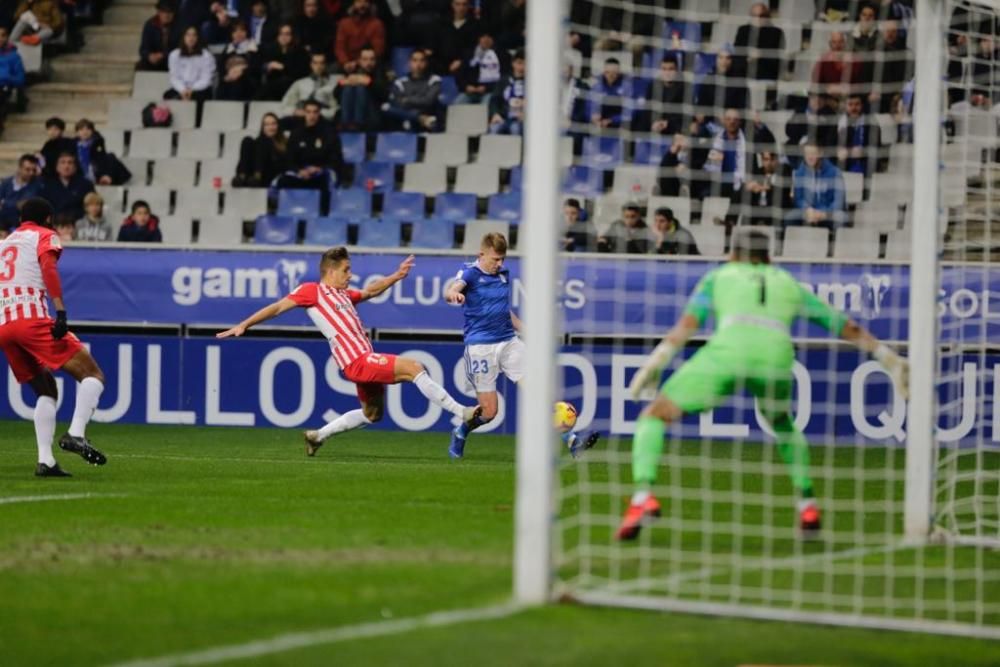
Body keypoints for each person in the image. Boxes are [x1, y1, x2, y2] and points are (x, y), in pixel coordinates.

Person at [616, 229, 910, 540]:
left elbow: (688, 324)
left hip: (728, 354)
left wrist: (657, 360)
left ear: (732, 254)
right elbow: (844, 325)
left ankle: (642, 497)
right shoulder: (788, 283)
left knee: (654, 415)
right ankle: (807, 504)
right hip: (776, 358)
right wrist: (888, 358)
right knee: (782, 423)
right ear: (768, 257)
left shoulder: (720, 276)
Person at [217, 249, 482, 454]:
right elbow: (277, 307)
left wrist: (396, 275)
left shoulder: (343, 295)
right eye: (346, 270)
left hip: (362, 361)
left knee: (372, 415)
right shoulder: (312, 291)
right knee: (415, 368)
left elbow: (369, 292)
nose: (350, 275)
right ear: (330, 271)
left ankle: (317, 436)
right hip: (357, 360)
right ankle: (462, 412)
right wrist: (244, 324)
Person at [443, 232, 598, 459]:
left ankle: (573, 441)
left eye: (503, 259)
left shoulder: (503, 275)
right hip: (480, 348)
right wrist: (453, 296)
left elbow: (505, 312)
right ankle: (461, 431)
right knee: (489, 412)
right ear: (481, 254)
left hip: (508, 342)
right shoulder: (470, 273)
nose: (500, 264)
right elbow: (452, 289)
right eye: (495, 259)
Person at [0, 198, 109, 476]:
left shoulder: (5, 244)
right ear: (48, 218)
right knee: (93, 375)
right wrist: (60, 310)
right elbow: (49, 268)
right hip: (31, 320)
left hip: (4, 325)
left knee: (47, 390)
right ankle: (75, 433)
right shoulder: (45, 235)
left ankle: (46, 461)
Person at [277, 99, 344, 197]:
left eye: (315, 112)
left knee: (326, 181)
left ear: (319, 113)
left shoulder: (329, 132)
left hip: (321, 173)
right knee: (283, 181)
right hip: (301, 173)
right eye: (308, 112)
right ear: (304, 113)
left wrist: (320, 168)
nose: (312, 116)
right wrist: (298, 170)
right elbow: (289, 158)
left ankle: (323, 211)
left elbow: (336, 158)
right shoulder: (296, 133)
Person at [785, 142, 847, 230]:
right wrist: (808, 209)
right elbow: (798, 199)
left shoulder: (835, 172)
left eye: (813, 154)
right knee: (790, 217)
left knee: (842, 218)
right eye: (807, 154)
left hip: (828, 212)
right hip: (808, 212)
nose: (810, 157)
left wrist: (824, 214)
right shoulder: (800, 172)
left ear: (820, 154)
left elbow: (839, 202)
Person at [383, 49, 442, 131]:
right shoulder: (400, 82)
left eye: (422, 61)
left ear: (426, 63)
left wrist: (407, 100)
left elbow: (428, 101)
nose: (418, 64)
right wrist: (417, 108)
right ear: (409, 63)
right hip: (408, 117)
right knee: (386, 108)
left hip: (428, 116)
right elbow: (397, 103)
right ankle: (419, 118)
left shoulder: (434, 80)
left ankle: (418, 118)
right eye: (415, 60)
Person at [334, 46, 388, 131]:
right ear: (359, 61)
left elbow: (385, 96)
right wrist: (342, 84)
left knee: (360, 88)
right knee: (348, 87)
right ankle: (346, 123)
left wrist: (369, 83)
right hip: (348, 117)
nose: (368, 63)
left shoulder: (380, 73)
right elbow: (336, 96)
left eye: (372, 59)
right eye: (365, 59)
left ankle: (357, 123)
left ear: (376, 61)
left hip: (372, 114)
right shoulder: (353, 72)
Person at [632, 56, 687, 136]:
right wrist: (653, 123)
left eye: (671, 69)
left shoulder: (684, 87)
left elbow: (685, 114)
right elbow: (647, 109)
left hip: (674, 126)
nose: (667, 73)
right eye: (664, 69)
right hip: (655, 124)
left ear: (677, 70)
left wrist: (668, 123)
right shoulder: (653, 85)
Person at [279, 51, 340, 123]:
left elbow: (335, 109)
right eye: (315, 63)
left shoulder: (333, 84)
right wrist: (296, 111)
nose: (319, 66)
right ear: (311, 64)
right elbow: (284, 106)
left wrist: (316, 113)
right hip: (300, 117)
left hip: (321, 118)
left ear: (325, 65)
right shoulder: (300, 83)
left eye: (322, 63)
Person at [733, 2, 785, 82]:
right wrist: (748, 58)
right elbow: (737, 51)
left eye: (762, 15)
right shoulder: (743, 30)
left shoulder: (776, 32)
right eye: (754, 16)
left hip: (766, 73)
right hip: (744, 72)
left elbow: (777, 57)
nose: (758, 18)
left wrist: (760, 54)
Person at [256, 22, 309, 100]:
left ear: (292, 36)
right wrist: (267, 66)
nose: (284, 37)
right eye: (281, 34)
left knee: (279, 84)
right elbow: (259, 65)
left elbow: (301, 72)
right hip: (272, 82)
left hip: (292, 83)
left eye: (287, 34)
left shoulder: (300, 52)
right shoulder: (269, 49)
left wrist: (282, 67)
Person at [234, 112, 288, 187]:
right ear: (263, 127)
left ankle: (257, 177)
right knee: (247, 140)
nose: (271, 127)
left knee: (264, 141)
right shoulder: (258, 142)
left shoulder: (284, 143)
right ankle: (241, 177)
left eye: (273, 124)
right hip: (252, 176)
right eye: (267, 124)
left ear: (278, 126)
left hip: (270, 175)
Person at [166, 26, 216, 103]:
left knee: (196, 98)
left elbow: (206, 79)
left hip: (200, 89)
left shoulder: (206, 55)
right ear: (183, 37)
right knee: (168, 96)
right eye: (188, 35)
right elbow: (174, 77)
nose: (191, 38)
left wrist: (191, 90)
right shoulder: (174, 54)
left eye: (194, 35)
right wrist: (183, 90)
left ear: (198, 38)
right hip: (181, 88)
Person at [41, 152, 95, 224]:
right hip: (55, 224)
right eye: (63, 162)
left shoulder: (86, 185)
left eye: (70, 163)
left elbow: (91, 205)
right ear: (57, 167)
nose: (66, 166)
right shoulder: (48, 185)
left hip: (79, 224)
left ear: (75, 167)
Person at [334, 0, 386, 73]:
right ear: (353, 4)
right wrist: (345, 62)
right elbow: (339, 47)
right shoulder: (344, 23)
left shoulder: (377, 24)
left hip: (369, 62)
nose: (362, 5)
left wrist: (358, 62)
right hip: (347, 62)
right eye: (359, 1)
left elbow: (378, 49)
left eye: (365, 1)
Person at [455, 31, 505, 105]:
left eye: (488, 37)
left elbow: (503, 78)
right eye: (483, 37)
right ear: (479, 39)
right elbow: (460, 75)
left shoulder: (500, 55)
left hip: (490, 92)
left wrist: (486, 88)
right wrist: (466, 86)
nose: (486, 39)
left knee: (486, 107)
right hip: (469, 92)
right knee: (457, 104)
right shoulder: (469, 54)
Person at [836, 94, 881, 176]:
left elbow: (877, 147)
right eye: (850, 105)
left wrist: (863, 151)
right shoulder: (839, 122)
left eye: (857, 104)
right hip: (845, 162)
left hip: (866, 163)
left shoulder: (871, 122)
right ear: (845, 106)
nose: (854, 108)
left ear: (862, 105)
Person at [588, 57, 636, 129]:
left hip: (619, 125)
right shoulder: (597, 86)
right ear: (604, 72)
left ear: (618, 72)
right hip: (598, 124)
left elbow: (629, 111)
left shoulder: (626, 87)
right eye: (607, 72)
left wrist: (612, 120)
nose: (610, 76)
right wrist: (593, 115)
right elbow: (590, 105)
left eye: (614, 73)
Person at [0, 154, 42, 230]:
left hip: (23, 226)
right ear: (20, 168)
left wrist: (5, 203)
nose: (31, 173)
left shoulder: (37, 185)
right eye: (28, 169)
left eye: (34, 170)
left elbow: (24, 205)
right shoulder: (6, 183)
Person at [488, 48, 524, 135]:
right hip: (504, 117)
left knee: (515, 128)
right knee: (494, 128)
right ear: (513, 63)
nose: (522, 67)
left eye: (526, 63)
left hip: (522, 119)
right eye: (519, 63)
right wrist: (495, 114)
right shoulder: (504, 80)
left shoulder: (534, 83)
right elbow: (494, 100)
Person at [138, 0, 180, 72]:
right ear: (158, 12)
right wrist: (149, 56)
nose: (166, 15)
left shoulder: (180, 26)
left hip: (172, 60)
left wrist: (163, 55)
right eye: (163, 11)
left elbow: (181, 48)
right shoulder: (150, 24)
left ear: (174, 13)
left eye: (169, 12)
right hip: (155, 61)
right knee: (141, 65)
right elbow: (143, 48)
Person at [0, 26, 26, 128]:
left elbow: (20, 79)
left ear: (7, 37)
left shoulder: (14, 56)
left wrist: (4, 77)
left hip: (4, 87)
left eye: (2, 35)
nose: (0, 38)